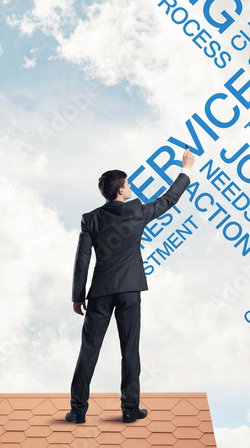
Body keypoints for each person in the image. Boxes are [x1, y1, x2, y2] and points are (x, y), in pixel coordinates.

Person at [66, 147, 195, 424]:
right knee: (130, 350)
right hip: (129, 290)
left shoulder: (91, 219)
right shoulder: (136, 211)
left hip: (99, 293)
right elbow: (169, 200)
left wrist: (78, 295)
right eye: (128, 184)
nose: (131, 187)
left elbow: (82, 260)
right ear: (121, 191)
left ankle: (78, 411)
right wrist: (185, 169)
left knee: (88, 350)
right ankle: (129, 409)